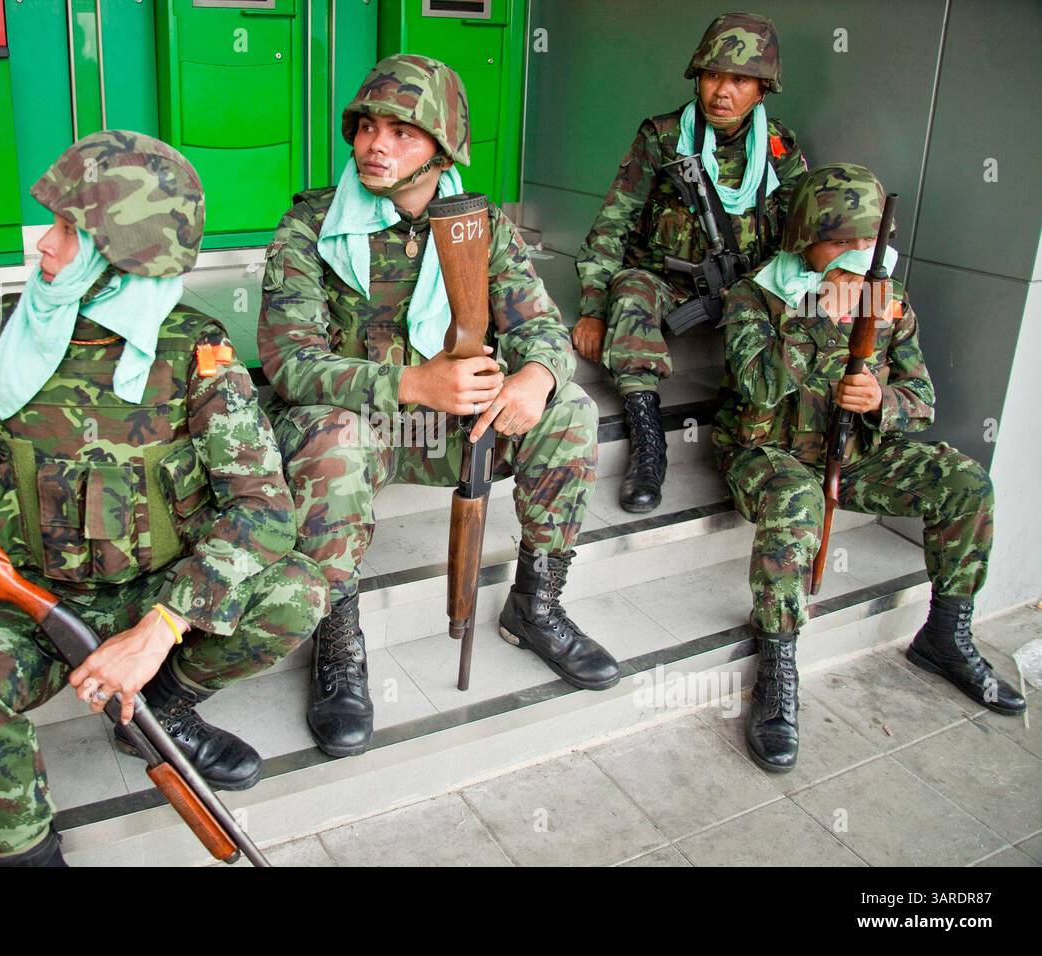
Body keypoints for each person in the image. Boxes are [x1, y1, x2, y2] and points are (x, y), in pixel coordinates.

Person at [0, 130, 327, 865]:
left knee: (298, 595)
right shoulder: (8, 327)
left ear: (121, 253)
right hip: (28, 598)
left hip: (153, 589)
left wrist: (158, 629)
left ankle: (158, 705)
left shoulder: (193, 349)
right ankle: (28, 852)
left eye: (66, 229)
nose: (43, 248)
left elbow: (263, 508)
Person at [259, 54, 618, 759]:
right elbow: (288, 362)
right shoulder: (311, 225)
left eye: (403, 132)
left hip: (453, 431)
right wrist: (413, 385)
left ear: (443, 147)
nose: (375, 146)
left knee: (569, 411)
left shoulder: (479, 225)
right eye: (366, 127)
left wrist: (535, 379)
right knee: (328, 436)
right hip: (362, 427)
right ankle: (337, 642)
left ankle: (535, 604)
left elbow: (544, 329)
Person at [714, 163, 1026, 773]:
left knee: (965, 482)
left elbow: (923, 399)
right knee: (797, 501)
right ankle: (778, 666)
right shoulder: (758, 294)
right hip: (767, 455)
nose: (857, 256)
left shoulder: (887, 299)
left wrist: (884, 401)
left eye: (866, 243)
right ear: (806, 238)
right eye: (842, 242)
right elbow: (756, 383)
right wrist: (822, 317)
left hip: (856, 455)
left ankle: (945, 635)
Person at [574, 12, 806, 513]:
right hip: (668, 280)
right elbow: (613, 223)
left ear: (762, 89)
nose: (722, 91)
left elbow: (801, 233)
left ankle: (754, 444)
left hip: (746, 286)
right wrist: (594, 307)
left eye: (740, 80)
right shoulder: (661, 136)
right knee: (631, 288)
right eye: (712, 75)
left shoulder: (777, 146)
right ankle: (648, 443)